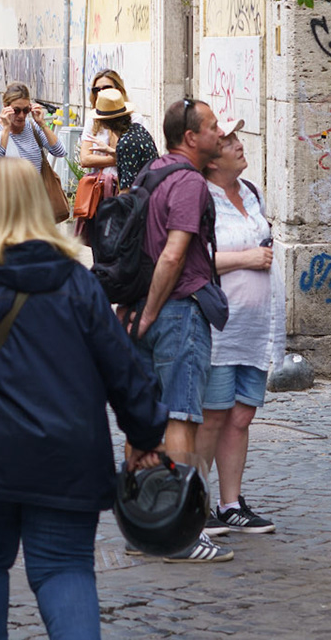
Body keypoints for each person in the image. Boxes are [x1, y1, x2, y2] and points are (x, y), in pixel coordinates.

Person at [0, 158, 168, 640]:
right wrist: (146, 433)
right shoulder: (77, 282)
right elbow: (123, 368)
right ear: (38, 205)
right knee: (64, 568)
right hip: (68, 452)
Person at [132, 97, 229, 563]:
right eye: (212, 127)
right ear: (190, 137)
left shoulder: (149, 174)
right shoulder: (189, 182)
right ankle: (181, 533)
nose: (220, 133)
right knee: (180, 419)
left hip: (139, 311)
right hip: (175, 311)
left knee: (142, 421)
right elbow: (173, 255)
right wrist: (153, 311)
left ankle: (142, 526)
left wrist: (138, 314)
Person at [196, 127, 278, 535]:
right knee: (212, 416)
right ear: (212, 160)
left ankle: (231, 504)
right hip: (219, 328)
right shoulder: (200, 198)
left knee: (242, 415)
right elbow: (193, 260)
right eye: (228, 143)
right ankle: (196, 505)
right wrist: (247, 258)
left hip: (254, 327)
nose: (239, 145)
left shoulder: (251, 192)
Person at [0, 83, 67, 215]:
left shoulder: (33, 126)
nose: (21, 115)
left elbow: (60, 151)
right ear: (5, 108)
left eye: (26, 110)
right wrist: (6, 128)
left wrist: (42, 123)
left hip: (34, 202)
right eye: (16, 110)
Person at [88, 88, 157, 190]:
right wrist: (110, 150)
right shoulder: (138, 129)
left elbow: (127, 190)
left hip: (144, 196)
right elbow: (131, 157)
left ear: (103, 122)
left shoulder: (126, 142)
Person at [76, 69, 132, 183]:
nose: (101, 93)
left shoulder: (134, 119)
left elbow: (135, 156)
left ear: (119, 90)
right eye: (96, 90)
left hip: (126, 183)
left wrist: (106, 158)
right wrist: (118, 158)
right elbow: (85, 159)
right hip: (99, 185)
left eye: (107, 88)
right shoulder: (92, 121)